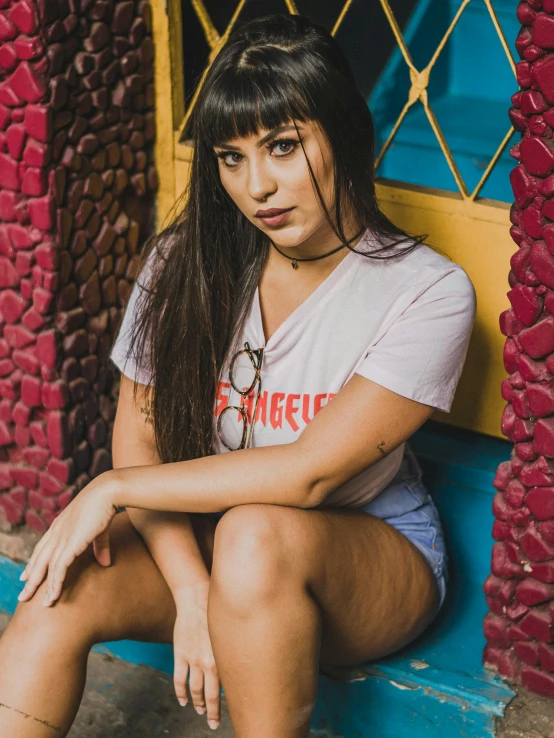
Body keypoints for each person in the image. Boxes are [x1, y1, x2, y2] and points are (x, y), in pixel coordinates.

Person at [0, 13, 477, 737]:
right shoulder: (182, 262)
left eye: (283, 147)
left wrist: (112, 489)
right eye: (230, 157)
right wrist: (193, 592)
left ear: (343, 133)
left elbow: (309, 476)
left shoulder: (427, 290)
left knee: (253, 537)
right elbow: (144, 433)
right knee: (55, 588)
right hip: (213, 543)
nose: (257, 185)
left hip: (369, 554)